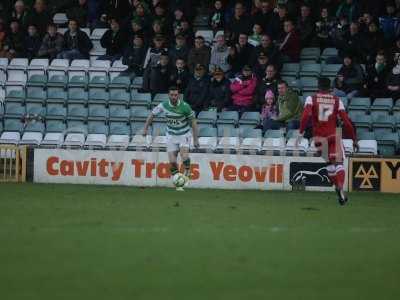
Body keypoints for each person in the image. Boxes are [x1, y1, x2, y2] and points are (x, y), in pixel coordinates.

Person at [296, 77, 357, 205]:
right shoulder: (337, 100)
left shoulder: (311, 99)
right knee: (338, 163)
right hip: (333, 135)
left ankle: (337, 187)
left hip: (318, 138)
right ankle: (340, 186)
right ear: (330, 88)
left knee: (329, 164)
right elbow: (346, 122)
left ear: (318, 87)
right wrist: (353, 138)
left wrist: (300, 133)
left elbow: (305, 116)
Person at [143, 86, 199, 191]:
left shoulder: (185, 107)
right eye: (172, 95)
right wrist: (145, 129)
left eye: (176, 95)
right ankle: (179, 182)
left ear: (179, 95)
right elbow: (152, 115)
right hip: (171, 135)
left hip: (184, 134)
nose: (174, 97)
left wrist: (196, 139)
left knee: (184, 156)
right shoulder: (163, 105)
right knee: (172, 162)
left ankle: (187, 171)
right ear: (168, 95)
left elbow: (194, 123)